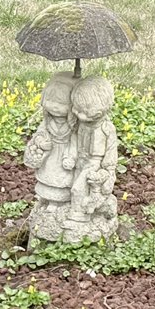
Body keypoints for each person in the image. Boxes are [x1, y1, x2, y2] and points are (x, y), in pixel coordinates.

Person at [62, 75, 120, 244]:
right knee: (71, 187)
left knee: (78, 189)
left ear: (99, 112)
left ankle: (79, 218)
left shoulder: (106, 128)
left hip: (94, 166)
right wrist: (70, 156)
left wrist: (108, 171)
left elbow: (111, 152)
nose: (76, 113)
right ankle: (84, 210)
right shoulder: (80, 124)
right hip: (80, 162)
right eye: (75, 108)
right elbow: (73, 141)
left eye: (81, 111)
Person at [23, 74, 78, 241]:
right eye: (51, 101)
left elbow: (75, 141)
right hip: (51, 155)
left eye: (61, 103)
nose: (55, 107)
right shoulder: (48, 121)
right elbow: (41, 132)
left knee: (63, 180)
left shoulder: (73, 124)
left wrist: (71, 156)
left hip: (63, 156)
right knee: (48, 178)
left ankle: (58, 204)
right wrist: (41, 141)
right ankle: (46, 200)